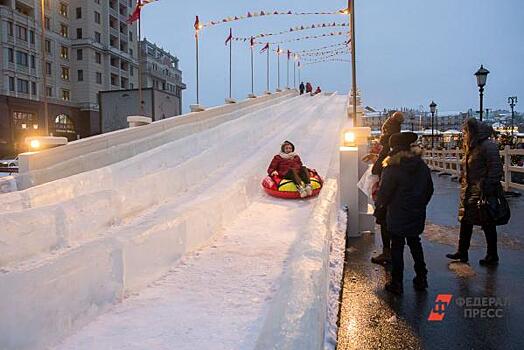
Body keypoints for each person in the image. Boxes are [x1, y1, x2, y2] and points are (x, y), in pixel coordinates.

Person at [375, 132, 434, 294]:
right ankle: (422, 277)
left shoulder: (392, 167)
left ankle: (397, 283)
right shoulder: (421, 165)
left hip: (397, 213)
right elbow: (429, 189)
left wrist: (380, 206)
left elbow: (384, 193)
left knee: (397, 246)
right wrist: (420, 204)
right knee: (415, 242)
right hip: (417, 211)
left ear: (394, 147)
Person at [446, 118, 505, 266]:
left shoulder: (487, 146)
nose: (463, 135)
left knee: (487, 222)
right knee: (466, 220)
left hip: (483, 190)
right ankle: (462, 251)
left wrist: (488, 186)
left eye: (465, 132)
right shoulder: (471, 146)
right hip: (470, 189)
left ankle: (493, 255)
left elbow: (496, 168)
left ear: (472, 131)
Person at [370, 111, 405, 265]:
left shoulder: (388, 145)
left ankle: (387, 253)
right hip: (402, 194)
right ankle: (419, 271)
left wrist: (375, 163)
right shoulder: (402, 145)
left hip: (388, 189)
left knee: (385, 220)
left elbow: (377, 168)